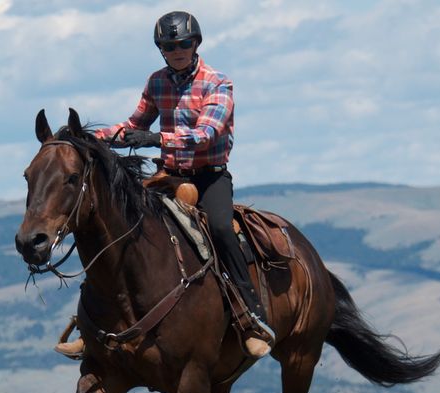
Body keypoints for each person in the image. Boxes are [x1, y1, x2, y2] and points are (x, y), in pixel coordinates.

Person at [55, 11, 275, 358]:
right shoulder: (156, 82)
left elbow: (206, 134)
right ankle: (91, 325)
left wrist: (157, 139)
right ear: (161, 49)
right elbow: (133, 126)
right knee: (117, 229)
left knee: (221, 228)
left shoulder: (218, 83)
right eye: (169, 46)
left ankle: (251, 317)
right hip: (166, 176)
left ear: (196, 43)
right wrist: (87, 138)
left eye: (184, 44)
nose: (177, 51)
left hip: (209, 177)